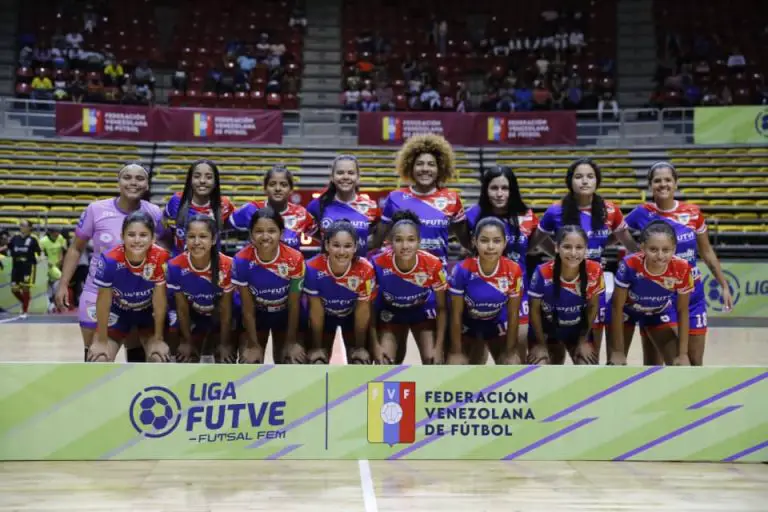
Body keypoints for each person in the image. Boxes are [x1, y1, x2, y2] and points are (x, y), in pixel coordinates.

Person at [624, 161, 732, 365]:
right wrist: (635, 251)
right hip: (659, 294)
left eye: (667, 180)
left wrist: (723, 284)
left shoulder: (692, 213)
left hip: (692, 293)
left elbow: (707, 251)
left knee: (694, 362)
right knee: (670, 362)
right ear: (650, 185)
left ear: (675, 184)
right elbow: (616, 232)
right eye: (657, 180)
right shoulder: (641, 212)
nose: (663, 184)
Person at [55, 162, 165, 362]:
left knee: (137, 354)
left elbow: (165, 249)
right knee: (95, 353)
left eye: (140, 178)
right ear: (118, 183)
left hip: (138, 295)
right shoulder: (96, 210)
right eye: (127, 178)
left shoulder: (155, 213)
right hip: (97, 291)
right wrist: (63, 283)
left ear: (147, 185)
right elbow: (75, 248)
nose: (133, 182)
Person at [538, 158, 638, 358]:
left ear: (597, 181)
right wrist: (558, 255)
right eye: (579, 176)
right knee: (554, 357)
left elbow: (630, 246)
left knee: (588, 356)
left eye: (590, 176)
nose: (585, 181)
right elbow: (536, 241)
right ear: (570, 181)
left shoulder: (610, 211)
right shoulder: (555, 211)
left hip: (593, 286)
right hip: (559, 284)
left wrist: (593, 256)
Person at [465, 165, 554, 351]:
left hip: (517, 292)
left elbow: (541, 244)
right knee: (476, 356)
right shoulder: (473, 215)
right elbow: (465, 244)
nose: (499, 193)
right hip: (480, 292)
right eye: (494, 188)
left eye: (505, 188)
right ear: (485, 190)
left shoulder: (525, 215)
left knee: (516, 353)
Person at [87, 212, 170, 363]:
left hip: (147, 313)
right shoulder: (109, 260)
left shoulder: (161, 257)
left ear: (153, 238)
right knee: (100, 359)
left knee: (159, 358)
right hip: (119, 312)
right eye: (131, 234)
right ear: (122, 236)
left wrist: (158, 338)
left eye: (143, 235)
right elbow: (103, 301)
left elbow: (160, 301)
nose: (137, 240)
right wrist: (102, 340)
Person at [374, 134, 470, 265]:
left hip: (436, 276)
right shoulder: (395, 198)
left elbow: (467, 242)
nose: (425, 169)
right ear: (410, 167)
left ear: (440, 168)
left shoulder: (451, 199)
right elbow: (377, 241)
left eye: (431, 164)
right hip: (401, 274)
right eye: (419, 164)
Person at [611, 221, 694, 366]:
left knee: (679, 365)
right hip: (627, 311)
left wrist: (683, 354)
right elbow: (616, 306)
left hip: (658, 311)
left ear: (674, 249)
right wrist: (618, 351)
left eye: (666, 250)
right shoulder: (629, 264)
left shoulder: (683, 268)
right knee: (616, 363)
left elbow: (682, 310)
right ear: (642, 247)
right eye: (653, 249)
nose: (660, 255)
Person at [370, 210, 448, 365]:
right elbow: (369, 308)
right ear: (390, 242)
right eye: (398, 240)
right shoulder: (376, 263)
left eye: (411, 240)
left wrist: (439, 347)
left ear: (419, 242)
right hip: (390, 313)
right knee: (385, 361)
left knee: (433, 361)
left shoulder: (433, 264)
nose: (405, 246)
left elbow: (442, 308)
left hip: (422, 312)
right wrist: (375, 345)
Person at [232, 207, 307, 364]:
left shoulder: (295, 258)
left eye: (272, 231)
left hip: (286, 315)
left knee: (291, 358)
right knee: (249, 359)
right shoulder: (241, 260)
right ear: (251, 234)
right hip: (257, 316)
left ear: (281, 233)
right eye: (259, 231)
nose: (265, 236)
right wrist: (253, 345)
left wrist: (291, 342)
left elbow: (294, 304)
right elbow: (247, 308)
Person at [447, 217, 524, 365]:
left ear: (504, 243)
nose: (490, 246)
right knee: (457, 365)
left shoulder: (513, 270)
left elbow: (513, 314)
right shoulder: (461, 270)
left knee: (512, 364)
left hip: (497, 325)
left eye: (496, 241)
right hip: (469, 326)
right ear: (475, 242)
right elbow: (456, 313)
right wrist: (456, 351)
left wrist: (510, 351)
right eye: (484, 240)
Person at [528, 225, 604, 365]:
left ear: (586, 249)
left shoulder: (595, 269)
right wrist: (540, 344)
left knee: (586, 364)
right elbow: (534, 310)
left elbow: (593, 306)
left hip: (577, 329)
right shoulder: (542, 272)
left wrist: (583, 340)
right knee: (540, 364)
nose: (573, 253)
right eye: (567, 247)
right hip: (548, 329)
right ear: (557, 248)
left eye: (579, 247)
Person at [166, 215, 236, 363]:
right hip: (193, 315)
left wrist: (224, 343)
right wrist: (187, 341)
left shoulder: (228, 265)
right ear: (185, 239)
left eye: (203, 236)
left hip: (218, 315)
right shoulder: (175, 266)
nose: (196, 242)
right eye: (191, 236)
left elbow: (226, 310)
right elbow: (182, 309)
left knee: (224, 356)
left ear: (214, 239)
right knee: (185, 354)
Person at [304, 220, 375, 364]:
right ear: (326, 246)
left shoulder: (366, 270)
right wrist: (317, 347)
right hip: (323, 319)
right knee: (317, 359)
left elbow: (363, 311)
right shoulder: (312, 268)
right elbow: (316, 312)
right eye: (336, 245)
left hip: (351, 318)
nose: (342, 252)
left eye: (347, 246)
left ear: (355, 247)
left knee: (360, 360)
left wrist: (359, 347)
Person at [307, 155, 380, 258]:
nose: (345, 177)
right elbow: (313, 233)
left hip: (360, 271)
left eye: (351, 173)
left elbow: (378, 236)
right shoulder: (317, 205)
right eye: (340, 173)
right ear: (332, 177)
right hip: (326, 271)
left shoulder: (370, 207)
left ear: (358, 177)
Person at [230, 164, 316, 251]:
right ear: (265, 188)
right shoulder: (251, 209)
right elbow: (221, 226)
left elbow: (325, 238)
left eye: (283, 185)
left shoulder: (301, 213)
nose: (278, 188)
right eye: (272, 184)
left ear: (291, 190)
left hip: (290, 264)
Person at [163, 159, 234, 257]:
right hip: (180, 265)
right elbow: (164, 232)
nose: (202, 181)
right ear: (190, 179)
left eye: (209, 177)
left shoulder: (224, 204)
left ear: (215, 181)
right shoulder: (176, 201)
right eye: (197, 176)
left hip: (212, 265)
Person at [8, 220, 41, 318]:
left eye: (23, 225)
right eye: (20, 225)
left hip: (28, 266)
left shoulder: (33, 239)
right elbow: (9, 246)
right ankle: (24, 303)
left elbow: (39, 251)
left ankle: (24, 311)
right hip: (16, 265)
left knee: (26, 288)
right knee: (14, 289)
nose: (21, 227)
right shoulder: (15, 237)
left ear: (29, 228)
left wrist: (40, 257)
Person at [39, 227, 68, 308]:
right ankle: (52, 301)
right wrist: (47, 262)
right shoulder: (43, 241)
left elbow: (62, 249)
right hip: (48, 265)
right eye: (56, 232)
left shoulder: (60, 238)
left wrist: (61, 258)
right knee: (59, 278)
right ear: (51, 233)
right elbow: (40, 253)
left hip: (57, 264)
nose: (57, 234)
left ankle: (53, 302)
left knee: (53, 284)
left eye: (58, 232)